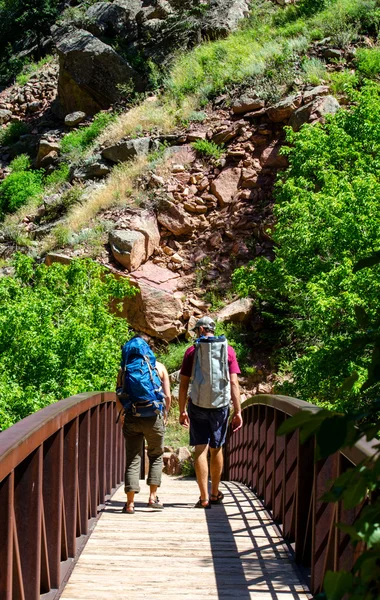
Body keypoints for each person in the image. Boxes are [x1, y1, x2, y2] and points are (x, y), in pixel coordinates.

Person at [178, 316, 243, 508]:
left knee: (200, 448)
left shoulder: (192, 351)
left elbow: (183, 385)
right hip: (220, 406)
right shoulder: (228, 350)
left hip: (198, 405)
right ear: (213, 329)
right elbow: (233, 383)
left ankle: (204, 498)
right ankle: (215, 493)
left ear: (199, 330)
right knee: (217, 448)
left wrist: (182, 411)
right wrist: (238, 411)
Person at [116, 334, 171, 515]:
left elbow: (118, 395)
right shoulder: (159, 367)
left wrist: (122, 413)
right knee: (155, 454)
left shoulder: (124, 369)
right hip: (153, 416)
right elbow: (168, 396)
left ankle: (130, 503)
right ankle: (152, 498)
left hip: (132, 415)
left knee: (133, 458)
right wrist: (165, 415)